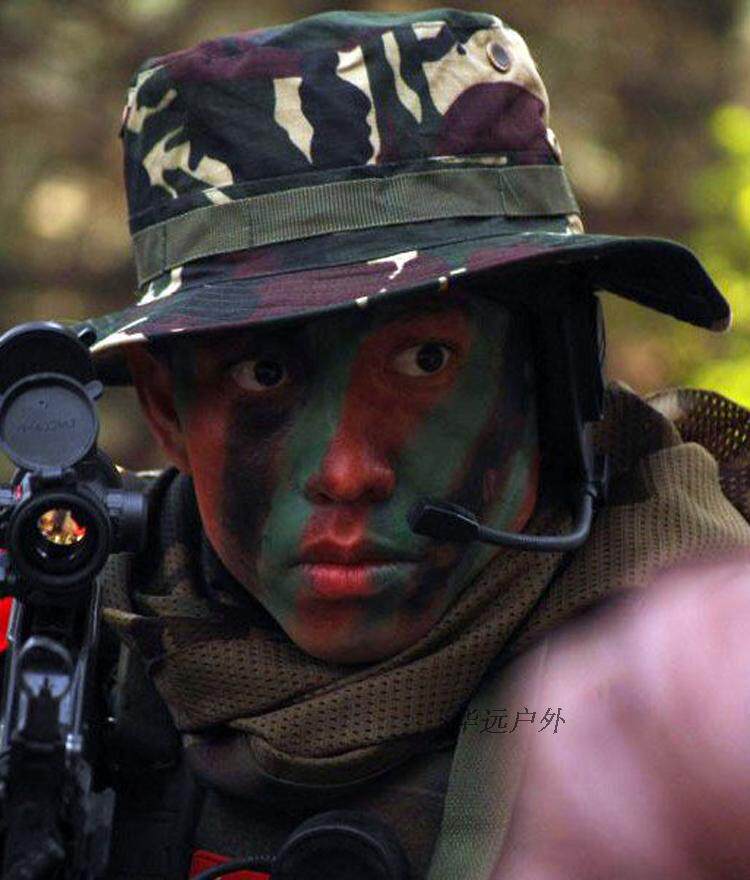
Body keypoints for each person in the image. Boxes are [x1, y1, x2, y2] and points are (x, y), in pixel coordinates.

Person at [81, 9, 750, 879]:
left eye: (426, 360)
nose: (346, 473)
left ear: (559, 378)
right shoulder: (63, 645)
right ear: (166, 409)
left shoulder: (705, 693)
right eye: (264, 374)